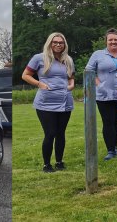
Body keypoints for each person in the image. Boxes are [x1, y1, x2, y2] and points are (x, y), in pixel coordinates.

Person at [23, 32, 74, 172]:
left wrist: (71, 85)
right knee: (50, 133)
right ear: (50, 43)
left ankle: (59, 162)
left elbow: (71, 77)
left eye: (61, 42)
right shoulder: (39, 58)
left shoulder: (68, 60)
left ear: (64, 45)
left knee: (61, 133)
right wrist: (40, 84)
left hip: (65, 101)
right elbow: (25, 75)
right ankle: (47, 164)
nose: (58, 44)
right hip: (46, 102)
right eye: (55, 42)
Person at [87, 29, 117, 161]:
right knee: (108, 121)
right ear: (106, 41)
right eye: (111, 40)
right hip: (104, 95)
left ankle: (114, 145)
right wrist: (99, 84)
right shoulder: (98, 55)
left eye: (116, 39)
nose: (113, 42)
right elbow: (89, 71)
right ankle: (110, 150)